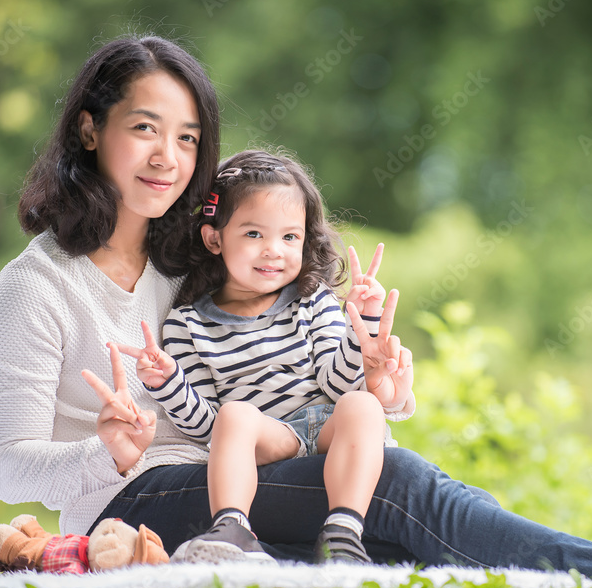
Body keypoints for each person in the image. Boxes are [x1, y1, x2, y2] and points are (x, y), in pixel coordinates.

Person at [0, 34, 592, 584]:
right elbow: (5, 466)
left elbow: (292, 365)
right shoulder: (35, 288)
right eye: (144, 129)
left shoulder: (190, 257)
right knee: (399, 487)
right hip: (134, 504)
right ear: (90, 130)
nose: (169, 157)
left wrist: (380, 386)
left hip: (244, 478)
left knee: (388, 522)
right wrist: (106, 454)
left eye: (188, 138)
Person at [110, 150, 416, 565]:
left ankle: (343, 534)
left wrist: (360, 334)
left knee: (362, 404)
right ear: (214, 238)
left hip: (330, 425)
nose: (274, 250)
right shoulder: (187, 324)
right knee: (234, 414)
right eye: (254, 234)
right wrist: (168, 384)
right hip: (271, 438)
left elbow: (338, 385)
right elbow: (207, 428)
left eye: (290, 237)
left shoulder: (313, 301)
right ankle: (232, 529)